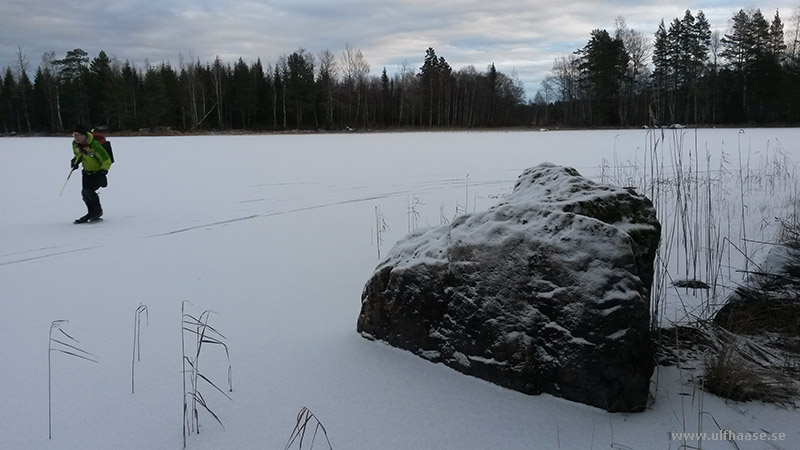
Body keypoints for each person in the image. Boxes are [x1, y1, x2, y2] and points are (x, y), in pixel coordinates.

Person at [70, 124, 112, 223]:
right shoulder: (75, 144)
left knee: (88, 192)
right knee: (85, 193)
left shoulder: (95, 145)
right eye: (74, 135)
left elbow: (106, 160)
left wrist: (103, 172)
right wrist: (75, 162)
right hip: (86, 171)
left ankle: (96, 212)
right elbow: (78, 155)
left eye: (78, 135)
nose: (76, 138)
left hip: (97, 171)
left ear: (85, 135)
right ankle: (92, 212)